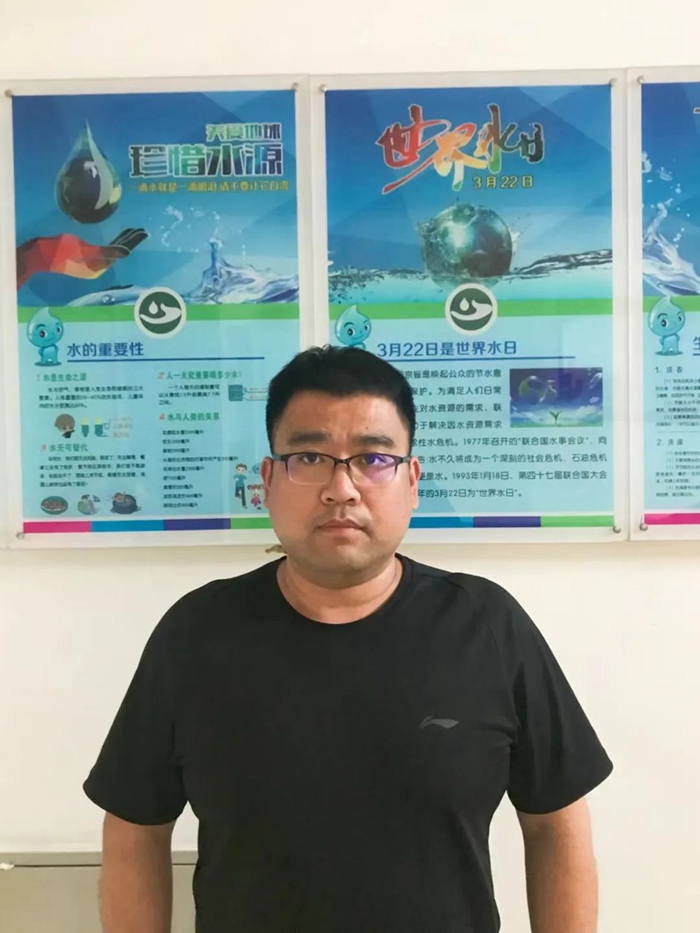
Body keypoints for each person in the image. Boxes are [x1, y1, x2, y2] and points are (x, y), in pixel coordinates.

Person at [84, 346, 612, 933]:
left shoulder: (487, 625)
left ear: (412, 480)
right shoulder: (196, 633)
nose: (342, 488)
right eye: (309, 457)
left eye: (373, 458)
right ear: (267, 480)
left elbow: (555, 824)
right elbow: (134, 830)